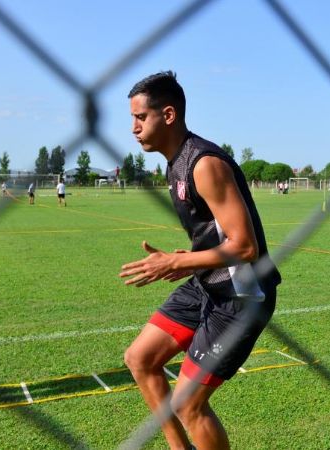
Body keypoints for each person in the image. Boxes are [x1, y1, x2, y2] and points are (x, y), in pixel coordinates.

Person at [120, 71, 281, 450]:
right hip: (208, 281)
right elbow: (217, 233)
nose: (133, 127)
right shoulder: (174, 164)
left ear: (169, 115)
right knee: (140, 358)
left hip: (242, 296)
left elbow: (245, 248)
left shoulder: (203, 164)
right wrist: (189, 258)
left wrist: (177, 264)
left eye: (140, 117)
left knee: (188, 402)